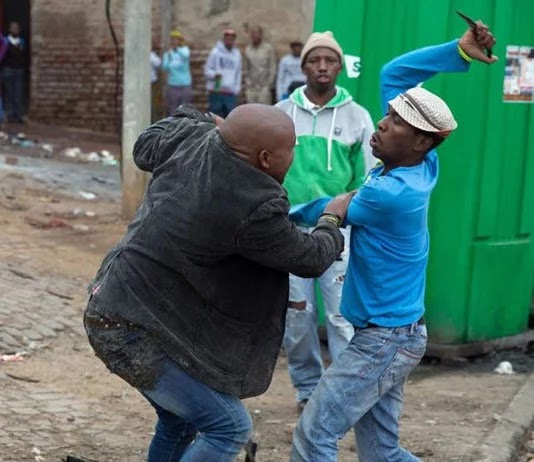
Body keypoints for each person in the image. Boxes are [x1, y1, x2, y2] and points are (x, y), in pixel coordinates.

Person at [83, 103, 349, 462]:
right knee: (229, 427)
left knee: (180, 423)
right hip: (133, 330)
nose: (294, 156)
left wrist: (204, 118)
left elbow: (146, 144)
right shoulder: (253, 203)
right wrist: (331, 219)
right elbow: (310, 257)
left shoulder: (192, 137)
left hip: (113, 303)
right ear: (265, 158)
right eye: (292, 149)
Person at [288, 22, 498, 461]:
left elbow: (332, 206)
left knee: (314, 435)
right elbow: (395, 74)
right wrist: (458, 51)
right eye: (387, 115)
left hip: (383, 342)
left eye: (395, 122)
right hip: (394, 335)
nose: (381, 125)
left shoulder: (391, 193)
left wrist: (286, 214)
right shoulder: (422, 163)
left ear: (420, 141)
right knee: (382, 453)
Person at [275, 30, 375, 413]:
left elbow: (368, 178)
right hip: (290, 232)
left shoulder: (357, 116)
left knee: (340, 316)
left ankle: (343, 396)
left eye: (329, 60)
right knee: (298, 316)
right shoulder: (282, 113)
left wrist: (346, 216)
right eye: (314, 60)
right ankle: (307, 391)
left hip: (337, 233)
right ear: (303, 67)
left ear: (339, 67)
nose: (322, 66)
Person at [204, 29, 242, 118]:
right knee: (215, 118)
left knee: (229, 118)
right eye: (227, 38)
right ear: (224, 39)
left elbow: (238, 72)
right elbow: (207, 70)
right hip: (216, 91)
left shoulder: (237, 54)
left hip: (230, 93)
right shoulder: (215, 52)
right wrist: (214, 75)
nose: (229, 40)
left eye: (232, 38)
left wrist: (237, 88)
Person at [162, 30, 193, 115]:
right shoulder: (168, 53)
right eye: (173, 39)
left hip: (185, 84)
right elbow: (164, 67)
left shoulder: (185, 50)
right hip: (173, 84)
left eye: (176, 39)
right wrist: (169, 57)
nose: (174, 41)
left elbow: (186, 56)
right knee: (173, 108)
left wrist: (177, 49)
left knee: (185, 108)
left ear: (180, 40)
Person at [244, 25, 276, 104]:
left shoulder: (268, 49)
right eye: (252, 33)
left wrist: (268, 85)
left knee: (263, 110)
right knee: (251, 110)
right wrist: (247, 83)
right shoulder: (248, 50)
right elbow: (245, 68)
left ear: (261, 34)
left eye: (256, 33)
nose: (254, 35)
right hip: (251, 87)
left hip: (264, 88)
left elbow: (272, 68)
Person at [2, 22, 26, 124]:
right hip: (8, 69)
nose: (15, 30)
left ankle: (19, 115)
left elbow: (24, 55)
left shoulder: (21, 42)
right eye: (13, 28)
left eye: (17, 28)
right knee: (9, 93)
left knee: (18, 93)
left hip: (18, 70)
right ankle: (10, 115)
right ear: (10, 29)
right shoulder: (5, 41)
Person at [150, 42, 162, 122]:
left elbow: (158, 63)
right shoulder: (150, 55)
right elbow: (158, 63)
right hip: (145, 84)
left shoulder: (151, 55)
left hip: (152, 83)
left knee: (154, 105)